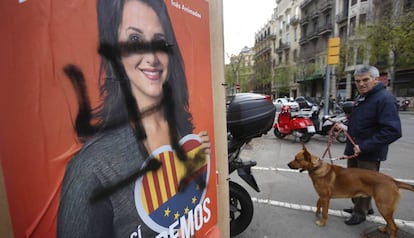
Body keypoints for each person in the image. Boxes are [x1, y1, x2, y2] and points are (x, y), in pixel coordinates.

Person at [57, 0, 213, 237]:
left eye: (160, 41)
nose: (152, 56)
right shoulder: (90, 170)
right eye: (135, 40)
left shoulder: (184, 131)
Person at [343, 65, 402, 225]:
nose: (361, 84)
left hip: (368, 152)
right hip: (354, 149)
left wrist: (365, 146)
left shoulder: (384, 99)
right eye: (358, 81)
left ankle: (360, 213)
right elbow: (362, 121)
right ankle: (363, 206)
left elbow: (393, 131)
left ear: (376, 80)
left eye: (365, 80)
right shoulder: (363, 96)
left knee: (364, 183)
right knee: (354, 182)